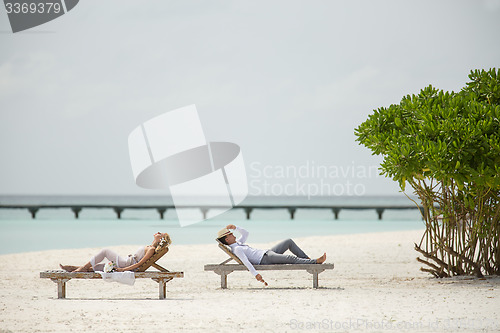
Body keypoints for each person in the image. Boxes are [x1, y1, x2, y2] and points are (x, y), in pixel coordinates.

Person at [217, 225, 326, 285]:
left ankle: (307, 259)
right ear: (227, 239)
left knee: (288, 241)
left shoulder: (238, 243)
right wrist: (255, 274)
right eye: (231, 234)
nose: (233, 234)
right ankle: (315, 262)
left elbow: (246, 233)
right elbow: (246, 262)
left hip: (267, 252)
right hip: (265, 259)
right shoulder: (236, 249)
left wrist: (236, 228)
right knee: (290, 258)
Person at [59, 232, 170, 272]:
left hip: (126, 263)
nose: (158, 232)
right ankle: (72, 268)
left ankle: (82, 268)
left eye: (160, 233)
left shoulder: (150, 250)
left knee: (105, 251)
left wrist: (122, 269)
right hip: (126, 262)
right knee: (96, 268)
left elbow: (139, 264)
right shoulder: (150, 246)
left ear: (160, 239)